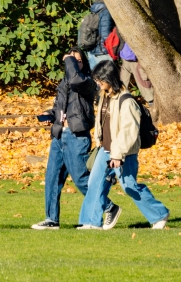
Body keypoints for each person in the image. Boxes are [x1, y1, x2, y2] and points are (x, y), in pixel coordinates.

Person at [78, 60, 169, 230]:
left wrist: (117, 155)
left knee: (129, 186)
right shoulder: (105, 96)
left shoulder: (127, 101)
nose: (98, 83)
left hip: (124, 153)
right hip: (104, 150)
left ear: (109, 78)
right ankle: (90, 222)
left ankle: (159, 215)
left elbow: (129, 131)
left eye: (100, 80)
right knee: (94, 184)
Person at [31, 51, 118, 229]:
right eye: (72, 60)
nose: (73, 63)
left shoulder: (87, 82)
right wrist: (49, 114)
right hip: (59, 136)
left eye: (78, 60)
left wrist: (68, 59)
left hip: (76, 137)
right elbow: (59, 108)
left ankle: (109, 206)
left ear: (83, 64)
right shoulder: (64, 83)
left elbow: (75, 79)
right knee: (52, 179)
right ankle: (51, 219)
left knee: (81, 179)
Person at [118, 39, 155, 106]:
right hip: (128, 56)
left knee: (143, 83)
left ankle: (152, 104)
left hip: (130, 56)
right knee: (123, 83)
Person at [84, 0, 115, 73]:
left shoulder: (93, 12)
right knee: (107, 80)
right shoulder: (106, 12)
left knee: (96, 80)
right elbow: (105, 33)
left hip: (91, 51)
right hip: (103, 52)